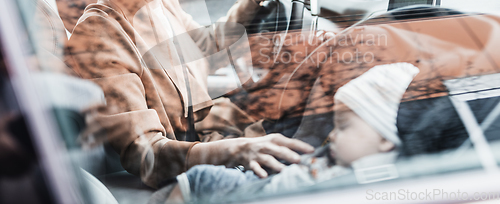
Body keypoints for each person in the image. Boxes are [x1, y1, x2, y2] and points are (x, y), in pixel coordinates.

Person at [64, 0, 313, 189]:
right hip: (194, 173)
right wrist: (237, 150)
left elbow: (202, 47)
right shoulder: (99, 34)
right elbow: (147, 155)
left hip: (227, 132)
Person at [156, 62, 420, 203]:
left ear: (386, 139)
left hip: (268, 192)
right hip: (269, 184)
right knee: (200, 178)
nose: (334, 135)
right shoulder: (351, 153)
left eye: (344, 127)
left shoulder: (377, 176)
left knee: (202, 179)